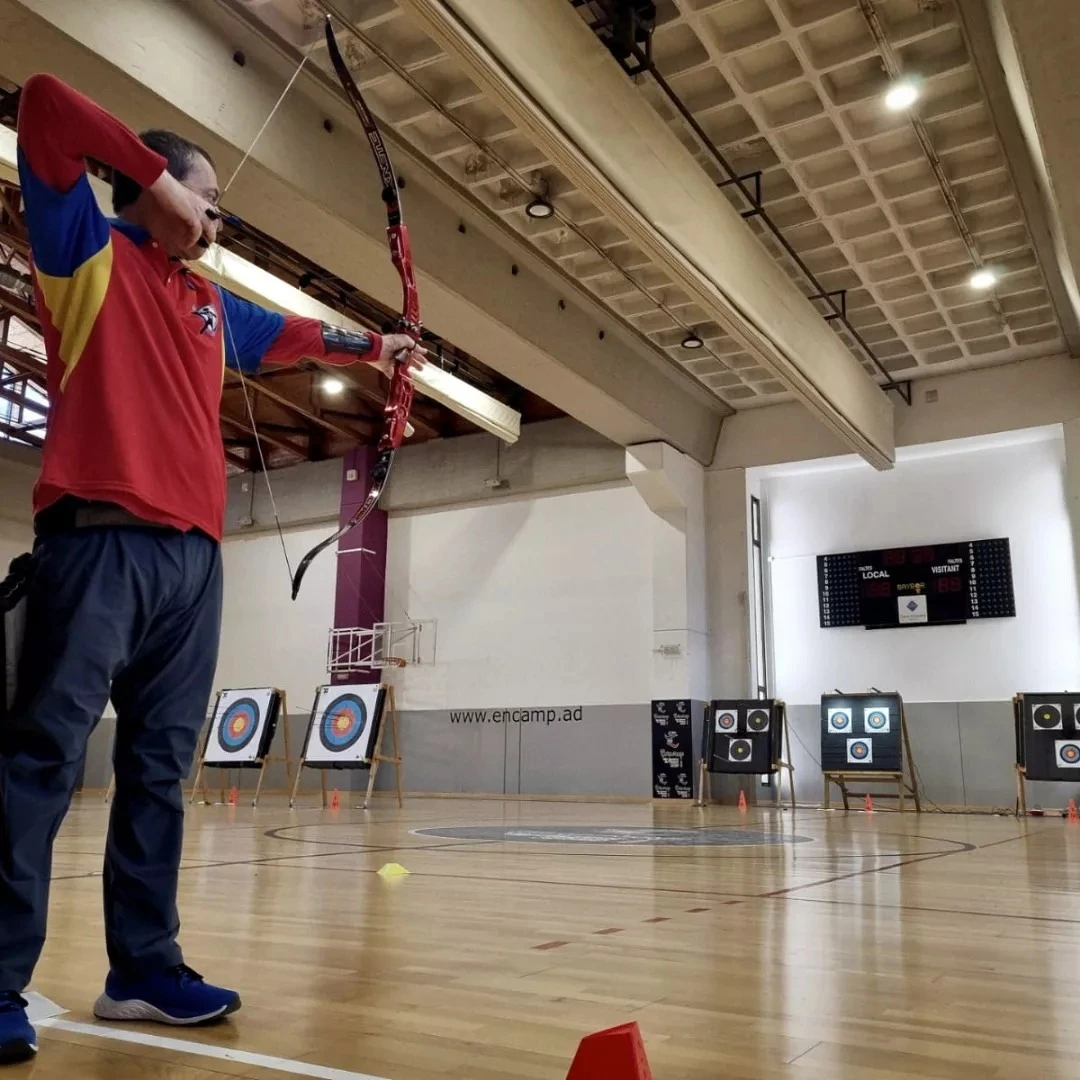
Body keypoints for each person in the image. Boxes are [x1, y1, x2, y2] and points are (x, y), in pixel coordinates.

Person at [0, 72, 424, 1064]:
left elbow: (298, 336)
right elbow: (52, 105)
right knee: (39, 765)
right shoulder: (86, 255)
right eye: (206, 196)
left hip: (192, 565)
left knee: (159, 772)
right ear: (157, 192)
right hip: (98, 544)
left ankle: (142, 971)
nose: (216, 215)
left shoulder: (208, 307)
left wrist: (383, 345)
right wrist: (159, 176)